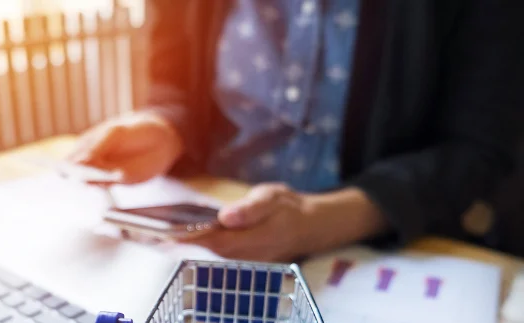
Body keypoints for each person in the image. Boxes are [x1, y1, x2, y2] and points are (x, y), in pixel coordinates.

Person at [69, 0, 524, 261]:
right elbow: (174, 75)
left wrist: (321, 222)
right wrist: (166, 125)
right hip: (200, 239)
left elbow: (477, 148)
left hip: (373, 250)